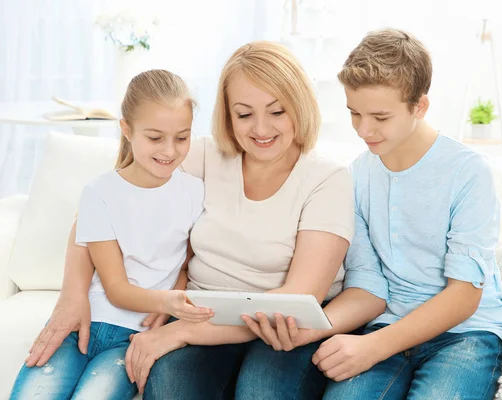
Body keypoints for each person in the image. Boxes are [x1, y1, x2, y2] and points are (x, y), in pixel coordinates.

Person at [23, 41, 368, 399]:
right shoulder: (203, 155)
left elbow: (296, 298)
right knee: (170, 385)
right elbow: (104, 207)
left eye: (277, 111)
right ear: (228, 116)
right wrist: (72, 294)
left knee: (261, 390)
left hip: (279, 327)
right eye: (244, 114)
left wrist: (179, 331)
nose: (261, 128)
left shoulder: (327, 179)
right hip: (202, 314)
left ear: (299, 106)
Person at [252, 29, 502, 400]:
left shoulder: (469, 173)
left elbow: (463, 297)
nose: (363, 129)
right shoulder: (355, 176)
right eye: (354, 113)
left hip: (467, 332)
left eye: (380, 117)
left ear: (419, 107)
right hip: (384, 321)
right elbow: (368, 281)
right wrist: (316, 328)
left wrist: (373, 348)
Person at [10, 70, 213, 399]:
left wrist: (174, 305)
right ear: (126, 130)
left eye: (182, 137)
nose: (170, 150)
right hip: (81, 325)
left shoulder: (195, 193)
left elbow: (189, 263)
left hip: (133, 337)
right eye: (155, 137)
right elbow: (117, 289)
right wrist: (170, 302)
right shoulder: (100, 193)